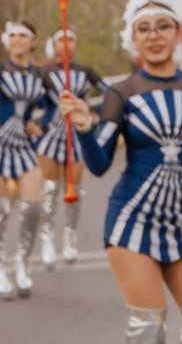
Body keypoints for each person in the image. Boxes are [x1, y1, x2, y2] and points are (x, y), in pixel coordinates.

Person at [60, 0, 182, 343]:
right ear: (133, 39)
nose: (153, 35)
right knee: (148, 331)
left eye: (163, 26)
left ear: (178, 34)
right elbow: (98, 165)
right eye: (144, 28)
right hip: (131, 220)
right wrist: (82, 127)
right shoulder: (120, 93)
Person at [36, 28, 109, 267]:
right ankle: (47, 239)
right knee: (49, 190)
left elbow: (111, 92)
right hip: (50, 136)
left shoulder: (85, 71)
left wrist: (96, 115)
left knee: (74, 190)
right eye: (61, 40)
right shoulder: (44, 73)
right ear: (53, 44)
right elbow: (28, 99)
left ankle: (70, 237)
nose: (66, 44)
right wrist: (32, 122)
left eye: (71, 40)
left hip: (76, 136)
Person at [0, 21, 50, 299]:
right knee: (1, 211)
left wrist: (40, 122)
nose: (17, 40)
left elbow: (54, 103)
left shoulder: (39, 74)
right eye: (12, 35)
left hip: (24, 146)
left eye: (23, 36)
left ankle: (21, 263)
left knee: (33, 207)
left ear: (33, 41)